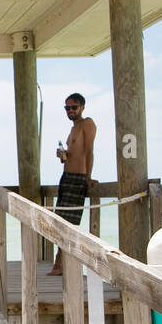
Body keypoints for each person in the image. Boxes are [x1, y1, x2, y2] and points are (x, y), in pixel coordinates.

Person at [48, 92, 96, 276]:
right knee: (59, 220)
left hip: (78, 179)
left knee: (69, 223)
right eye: (67, 108)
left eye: (73, 107)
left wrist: (89, 177)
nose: (70, 111)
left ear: (82, 107)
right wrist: (63, 156)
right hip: (66, 177)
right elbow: (72, 155)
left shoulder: (87, 124)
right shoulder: (73, 129)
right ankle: (60, 263)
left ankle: (60, 264)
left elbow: (90, 151)